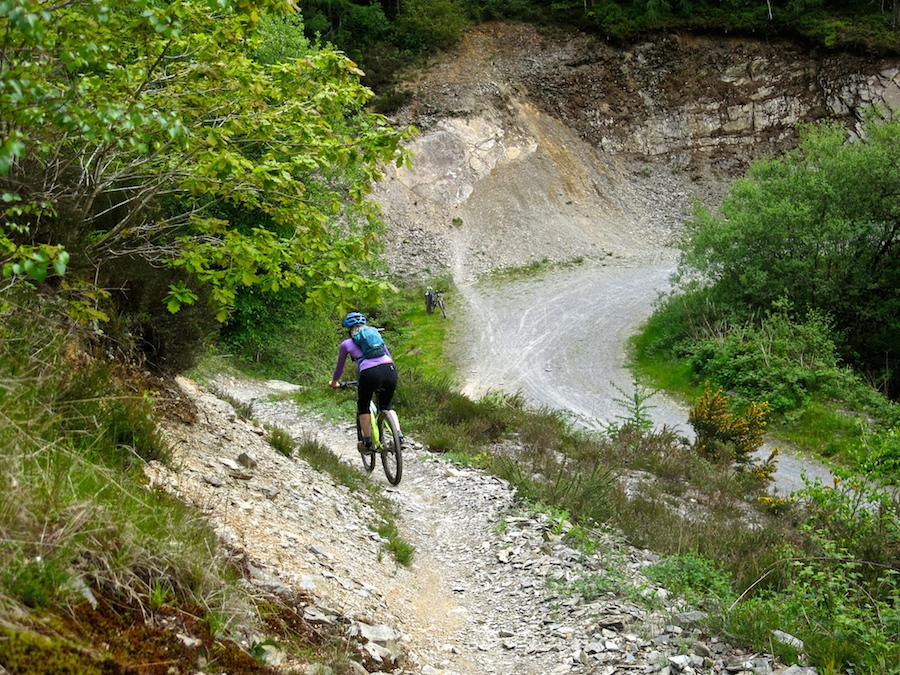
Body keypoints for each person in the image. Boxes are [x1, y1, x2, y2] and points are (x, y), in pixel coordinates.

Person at [329, 311, 402, 455]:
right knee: (387, 405)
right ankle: (399, 436)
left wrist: (334, 382)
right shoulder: (376, 336)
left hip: (369, 374)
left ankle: (367, 442)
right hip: (389, 369)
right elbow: (388, 355)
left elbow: (339, 368)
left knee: (363, 407)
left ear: (349, 329)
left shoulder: (346, 344)